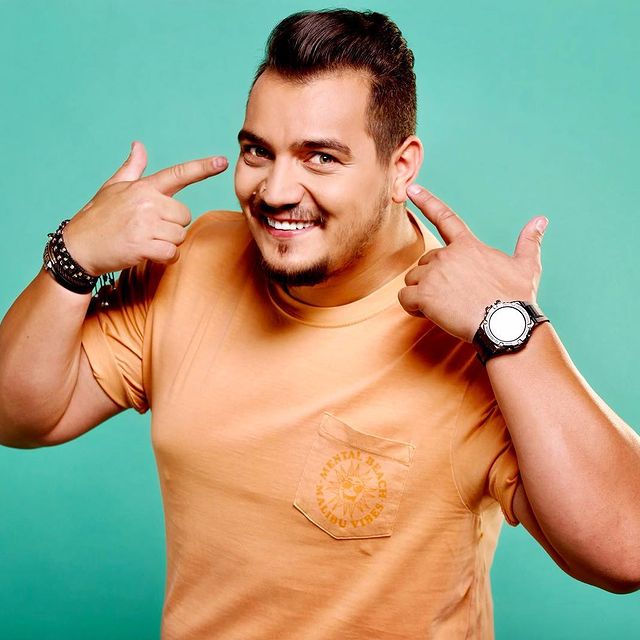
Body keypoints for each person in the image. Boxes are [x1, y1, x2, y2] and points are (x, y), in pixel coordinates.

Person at [0, 8, 639, 639]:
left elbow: (625, 552)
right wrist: (73, 257)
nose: (277, 190)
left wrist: (511, 325)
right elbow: (23, 416)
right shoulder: (192, 261)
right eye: (258, 151)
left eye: (321, 158)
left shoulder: (470, 336)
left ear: (400, 168)